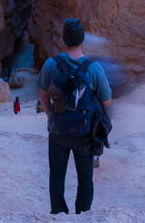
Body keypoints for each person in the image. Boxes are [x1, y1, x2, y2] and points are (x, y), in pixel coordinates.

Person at [36, 18, 112, 215]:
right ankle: (82, 215)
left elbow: (43, 94)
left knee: (57, 177)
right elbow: (107, 101)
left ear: (64, 39)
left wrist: (50, 115)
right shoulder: (94, 68)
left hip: (57, 130)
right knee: (85, 179)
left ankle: (59, 214)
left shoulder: (51, 64)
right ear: (82, 40)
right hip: (85, 132)